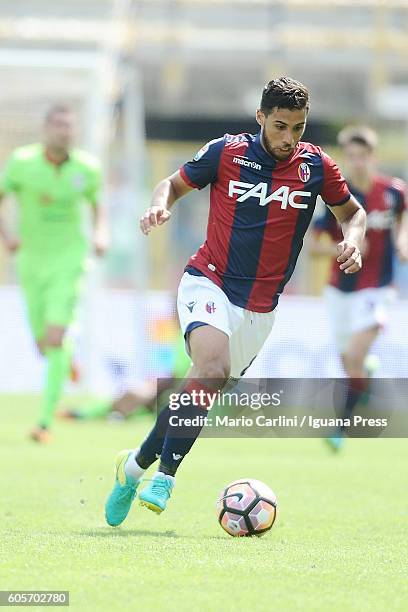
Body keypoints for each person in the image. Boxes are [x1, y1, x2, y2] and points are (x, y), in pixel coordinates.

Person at [105, 76, 366, 526]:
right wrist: (157, 206)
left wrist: (354, 241)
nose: (289, 138)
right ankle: (165, 476)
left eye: (298, 128)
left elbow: (352, 213)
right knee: (211, 370)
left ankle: (132, 467)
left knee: (198, 391)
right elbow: (170, 184)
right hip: (208, 280)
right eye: (281, 126)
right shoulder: (226, 152)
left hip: (260, 307)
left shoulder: (316, 166)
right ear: (261, 117)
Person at [0, 104, 107, 443]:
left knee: (55, 337)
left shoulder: (87, 168)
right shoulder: (22, 162)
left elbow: (97, 203)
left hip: (69, 260)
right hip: (31, 261)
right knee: (43, 344)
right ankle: (66, 357)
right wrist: (8, 236)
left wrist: (100, 234)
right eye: (59, 125)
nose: (65, 131)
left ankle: (44, 421)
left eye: (69, 126)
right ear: (46, 129)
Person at [310, 126, 408, 450]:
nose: (357, 163)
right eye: (350, 157)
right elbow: (313, 247)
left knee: (353, 354)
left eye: (362, 156)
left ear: (373, 157)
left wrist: (402, 242)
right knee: (350, 363)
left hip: (377, 289)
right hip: (340, 289)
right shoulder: (340, 200)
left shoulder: (393, 192)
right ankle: (364, 376)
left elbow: (402, 219)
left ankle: (341, 428)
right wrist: (343, 248)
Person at [58, 330, 191, 421]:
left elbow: (178, 376)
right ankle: (85, 413)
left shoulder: (190, 336)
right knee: (130, 395)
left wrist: (155, 387)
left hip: (176, 394)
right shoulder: (185, 335)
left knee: (132, 395)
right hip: (171, 391)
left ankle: (84, 414)